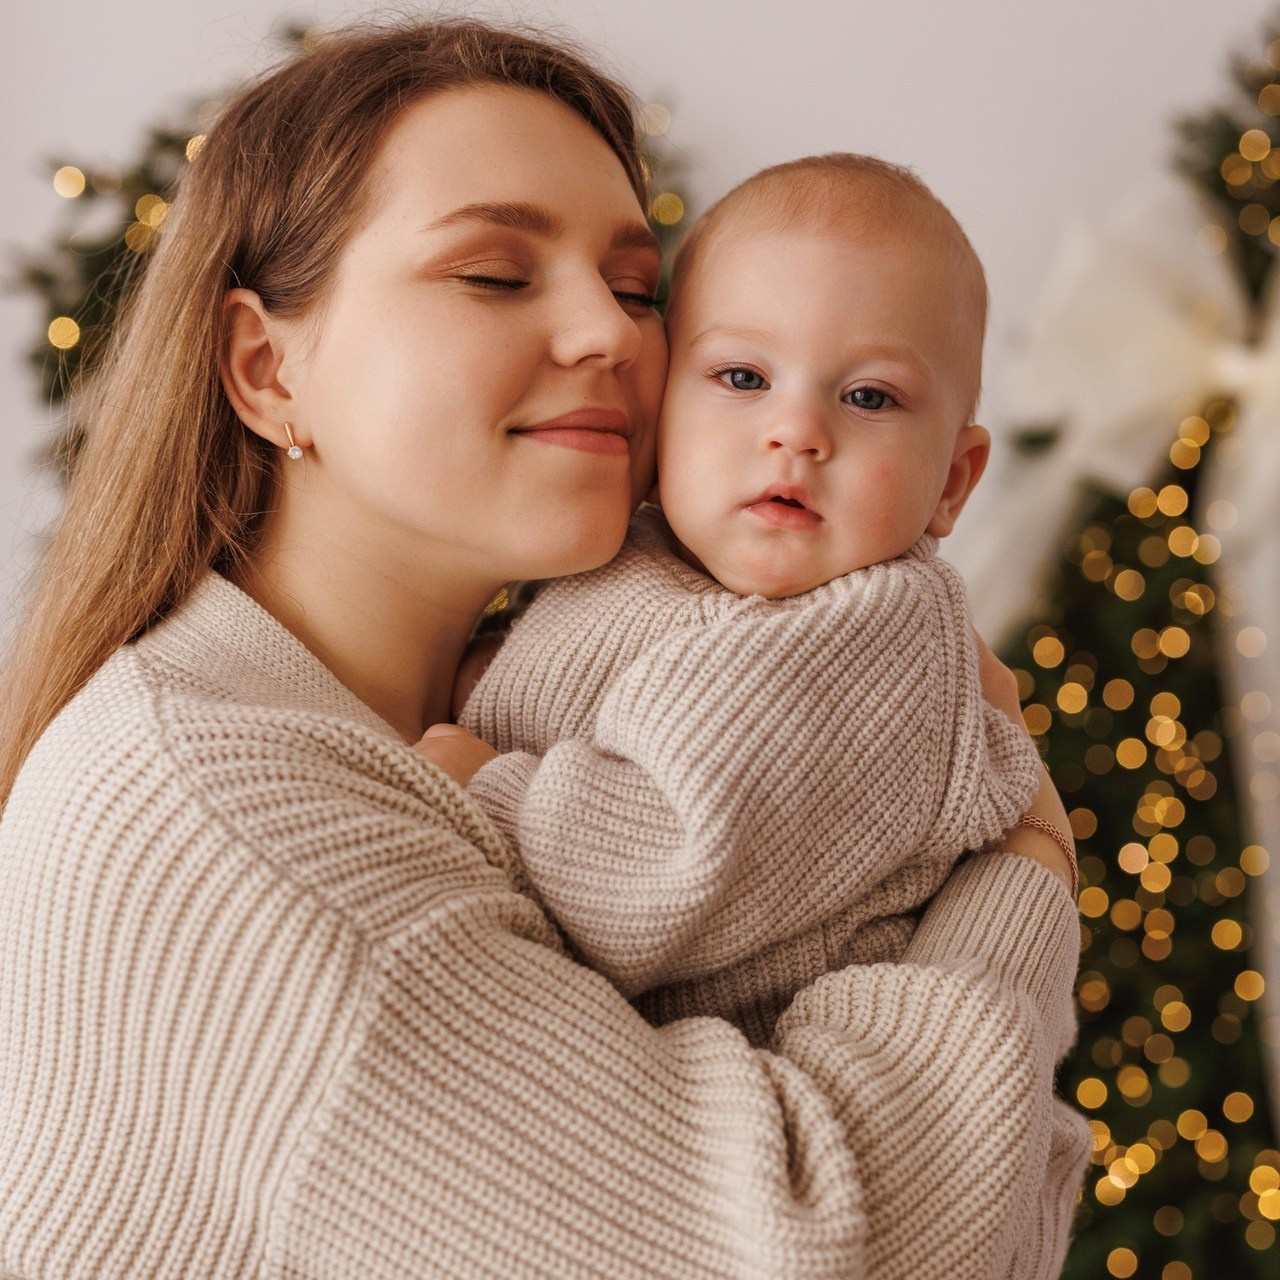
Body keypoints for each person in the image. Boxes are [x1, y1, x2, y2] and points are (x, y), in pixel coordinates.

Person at [0, 18, 1085, 1280]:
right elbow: (830, 1252)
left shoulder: (525, 700)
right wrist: (1023, 865)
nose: (614, 336)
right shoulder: (226, 814)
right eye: (496, 274)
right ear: (265, 367)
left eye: (635, 288)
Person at [450, 154, 1065, 1047]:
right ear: (663, 403)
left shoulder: (874, 637)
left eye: (868, 396)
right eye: (743, 378)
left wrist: (484, 785)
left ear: (953, 482)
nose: (797, 433)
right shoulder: (636, 546)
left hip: (740, 1087)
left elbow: (658, 880)